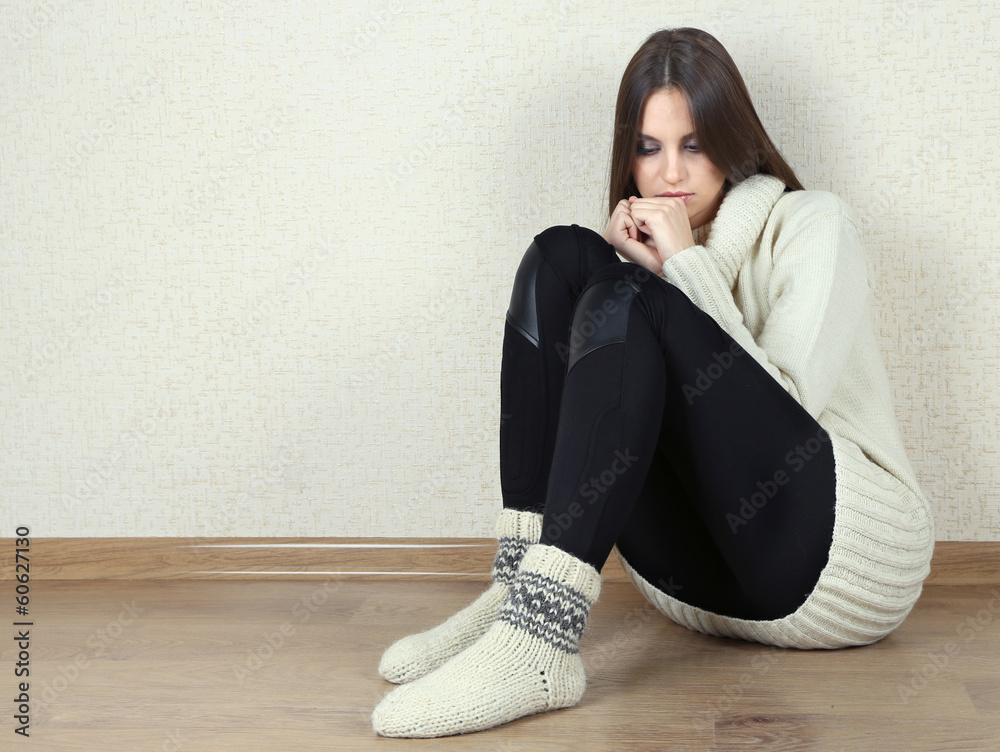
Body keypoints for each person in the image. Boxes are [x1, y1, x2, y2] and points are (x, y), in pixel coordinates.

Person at [371, 26, 935, 738]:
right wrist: (637, 276)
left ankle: (539, 645)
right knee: (563, 258)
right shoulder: (641, 265)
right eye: (649, 148)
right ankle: (521, 594)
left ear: (735, 140)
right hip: (702, 583)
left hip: (843, 559)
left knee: (624, 301)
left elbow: (784, 413)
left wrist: (678, 272)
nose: (671, 174)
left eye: (694, 145)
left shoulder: (815, 224)